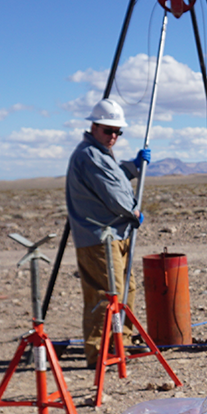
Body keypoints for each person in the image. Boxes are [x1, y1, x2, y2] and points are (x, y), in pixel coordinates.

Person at [64, 99, 150, 367]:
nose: (113, 136)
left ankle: (119, 345)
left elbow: (116, 180)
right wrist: (133, 212)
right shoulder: (89, 155)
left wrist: (133, 167)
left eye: (117, 132)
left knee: (127, 290)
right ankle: (99, 353)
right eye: (108, 130)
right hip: (100, 238)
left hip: (116, 234)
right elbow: (113, 194)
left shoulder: (101, 153)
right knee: (106, 296)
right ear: (94, 126)